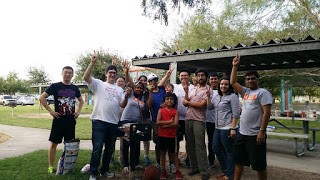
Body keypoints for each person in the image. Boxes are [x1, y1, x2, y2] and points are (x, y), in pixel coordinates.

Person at [83, 52, 131, 180]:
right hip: (99, 121)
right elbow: (86, 77)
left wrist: (126, 96)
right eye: (110, 72)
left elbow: (122, 104)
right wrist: (92, 62)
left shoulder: (119, 89)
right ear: (106, 74)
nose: (112, 74)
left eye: (114, 73)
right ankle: (93, 172)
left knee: (109, 149)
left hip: (113, 123)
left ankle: (105, 170)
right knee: (97, 148)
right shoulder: (99, 84)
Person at [230, 53, 272, 180]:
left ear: (257, 80)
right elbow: (233, 82)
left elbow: (267, 112)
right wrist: (235, 66)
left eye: (253, 78)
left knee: (259, 165)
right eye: (248, 79)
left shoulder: (263, 93)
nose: (250, 81)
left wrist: (262, 131)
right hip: (242, 133)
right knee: (238, 161)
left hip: (255, 135)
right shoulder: (245, 92)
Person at [39, 66, 84, 174]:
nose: (67, 74)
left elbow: (81, 101)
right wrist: (51, 111)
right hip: (58, 120)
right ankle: (50, 166)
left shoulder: (74, 88)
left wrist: (78, 112)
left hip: (70, 120)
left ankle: (67, 166)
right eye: (66, 72)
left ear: (72, 75)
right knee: (54, 143)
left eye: (70, 73)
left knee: (69, 145)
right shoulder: (55, 86)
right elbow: (41, 98)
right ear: (62, 73)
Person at [207, 76, 240, 180]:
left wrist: (233, 128)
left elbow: (236, 114)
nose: (223, 86)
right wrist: (208, 97)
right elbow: (210, 107)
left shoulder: (233, 96)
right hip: (218, 127)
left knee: (229, 151)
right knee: (216, 149)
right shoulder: (218, 96)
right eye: (222, 84)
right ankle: (227, 171)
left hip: (228, 128)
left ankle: (229, 175)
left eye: (226, 84)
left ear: (229, 86)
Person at [183, 68, 210, 180]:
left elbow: (201, 105)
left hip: (199, 120)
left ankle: (204, 171)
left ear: (206, 77)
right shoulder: (192, 88)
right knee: (190, 145)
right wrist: (186, 93)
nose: (200, 77)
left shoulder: (208, 90)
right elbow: (184, 102)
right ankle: (195, 167)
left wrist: (189, 102)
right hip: (188, 118)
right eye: (198, 75)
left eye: (202, 75)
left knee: (200, 146)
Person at [119, 82, 146, 174]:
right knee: (126, 144)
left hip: (137, 123)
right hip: (126, 122)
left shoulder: (142, 98)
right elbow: (128, 81)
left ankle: (134, 164)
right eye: (137, 87)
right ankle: (126, 165)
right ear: (134, 88)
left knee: (135, 145)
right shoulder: (130, 95)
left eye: (141, 88)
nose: (139, 89)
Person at [157, 93, 182, 180]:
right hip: (162, 135)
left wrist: (164, 125)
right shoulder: (161, 110)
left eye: (171, 99)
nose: (169, 100)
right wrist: (169, 122)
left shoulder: (175, 111)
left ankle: (177, 171)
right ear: (164, 100)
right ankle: (163, 170)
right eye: (167, 99)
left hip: (172, 136)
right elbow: (158, 122)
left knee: (174, 154)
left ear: (174, 101)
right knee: (163, 153)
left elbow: (175, 124)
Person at [137, 75, 152, 166]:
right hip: (137, 118)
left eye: (144, 80)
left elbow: (148, 105)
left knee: (146, 138)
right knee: (136, 138)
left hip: (146, 118)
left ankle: (146, 156)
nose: (143, 82)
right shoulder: (136, 90)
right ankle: (136, 157)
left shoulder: (148, 92)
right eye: (141, 80)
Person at [205, 72, 219, 168]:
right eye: (211, 79)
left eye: (215, 78)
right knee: (210, 142)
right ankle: (211, 161)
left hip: (221, 122)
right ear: (209, 80)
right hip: (209, 121)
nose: (213, 80)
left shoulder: (223, 90)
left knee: (221, 142)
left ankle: (224, 161)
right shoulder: (207, 91)